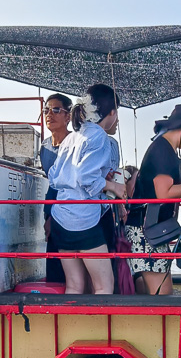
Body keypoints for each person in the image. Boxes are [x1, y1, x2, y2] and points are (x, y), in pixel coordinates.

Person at [125, 104, 181, 295]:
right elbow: (163, 194)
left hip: (148, 228)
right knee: (163, 291)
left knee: (154, 285)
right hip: (147, 231)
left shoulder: (163, 148)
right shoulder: (163, 151)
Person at [47, 84, 126, 294]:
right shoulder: (99, 136)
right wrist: (113, 186)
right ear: (112, 112)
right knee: (104, 286)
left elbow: (54, 177)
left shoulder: (72, 136)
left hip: (61, 217)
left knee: (74, 285)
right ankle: (98, 328)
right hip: (83, 219)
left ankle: (70, 327)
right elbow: (85, 177)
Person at [39, 93, 73, 284]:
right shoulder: (44, 146)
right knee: (54, 266)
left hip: (72, 210)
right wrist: (48, 215)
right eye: (46, 110)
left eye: (56, 110)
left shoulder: (75, 144)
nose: (49, 114)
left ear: (68, 116)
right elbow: (50, 183)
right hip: (51, 207)